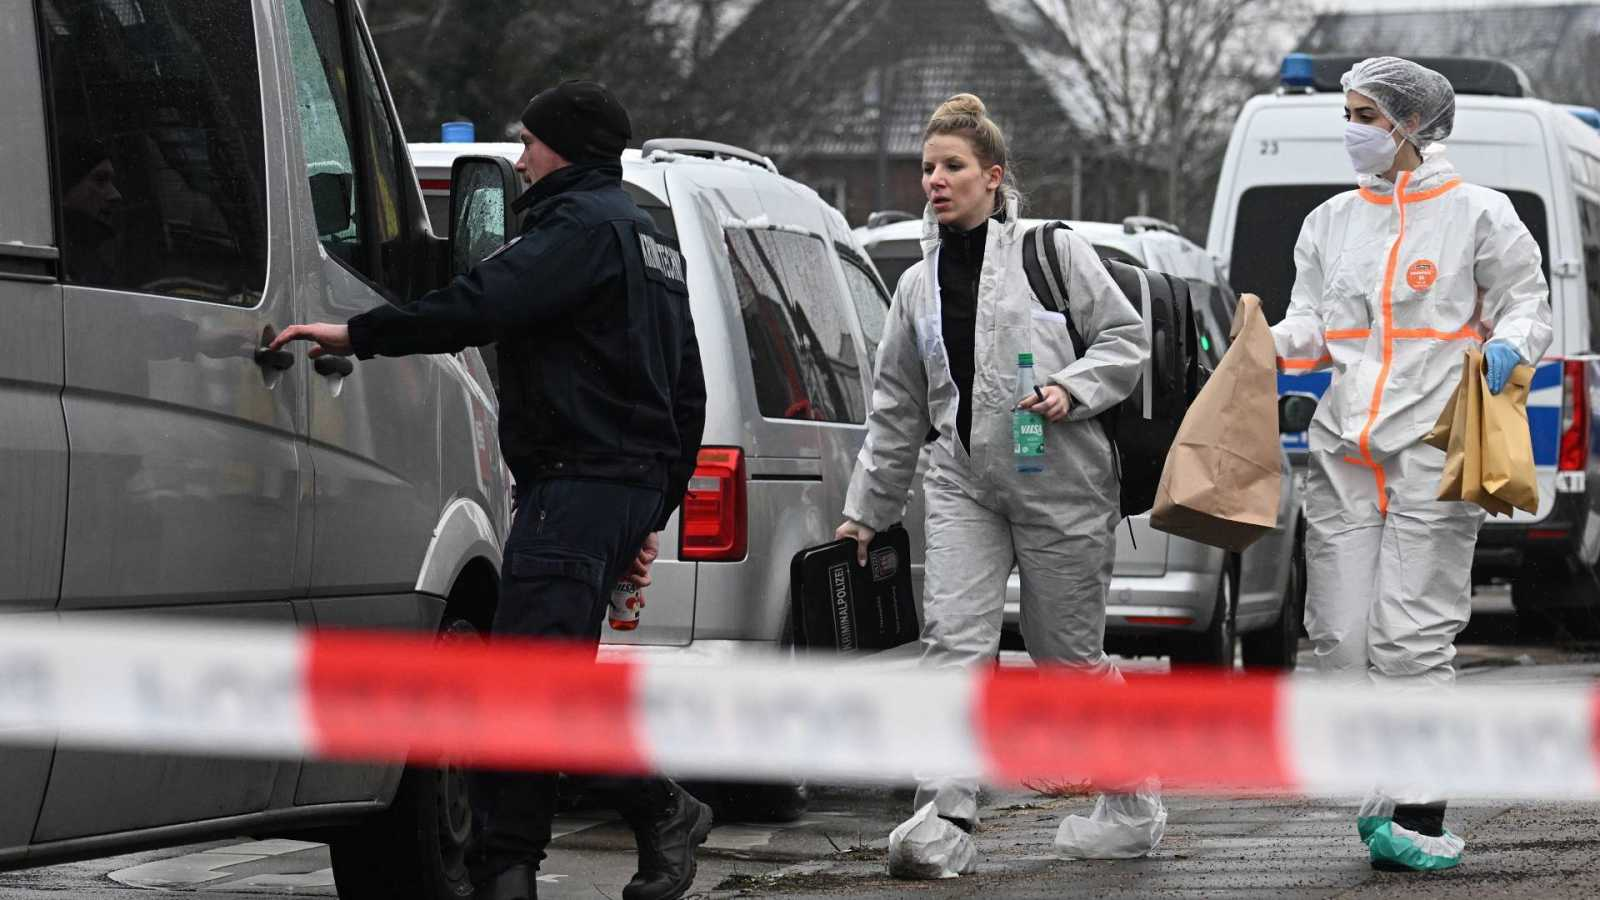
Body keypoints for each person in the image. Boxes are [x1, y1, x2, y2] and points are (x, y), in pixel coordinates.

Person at [269, 81, 709, 900]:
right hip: (611, 490)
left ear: (565, 148)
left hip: (575, 488)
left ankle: (628, 820)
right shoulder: (649, 239)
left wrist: (358, 332)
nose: (520, 159)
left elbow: (480, 304)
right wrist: (648, 510)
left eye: (530, 142)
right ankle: (529, 862)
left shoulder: (576, 230)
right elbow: (688, 392)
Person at [834, 93, 1162, 878]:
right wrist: (867, 511)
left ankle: (1128, 799)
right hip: (964, 483)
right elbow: (898, 406)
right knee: (954, 643)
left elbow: (1126, 339)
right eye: (927, 168)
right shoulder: (916, 286)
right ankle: (944, 817)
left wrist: (1072, 389)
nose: (935, 181)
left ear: (993, 176)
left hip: (1064, 483)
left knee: (1065, 658)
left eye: (952, 166)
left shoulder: (1053, 252)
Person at [1271, 57, 1552, 872]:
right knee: (1338, 638)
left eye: (1365, 114)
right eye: (1348, 113)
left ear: (1411, 124)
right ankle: (1381, 782)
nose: (1350, 128)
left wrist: (1512, 343)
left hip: (1435, 443)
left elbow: (1527, 302)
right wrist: (1263, 340)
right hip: (1344, 450)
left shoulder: (1479, 213)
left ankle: (1421, 812)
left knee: (1413, 637)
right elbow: (1309, 323)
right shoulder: (1330, 222)